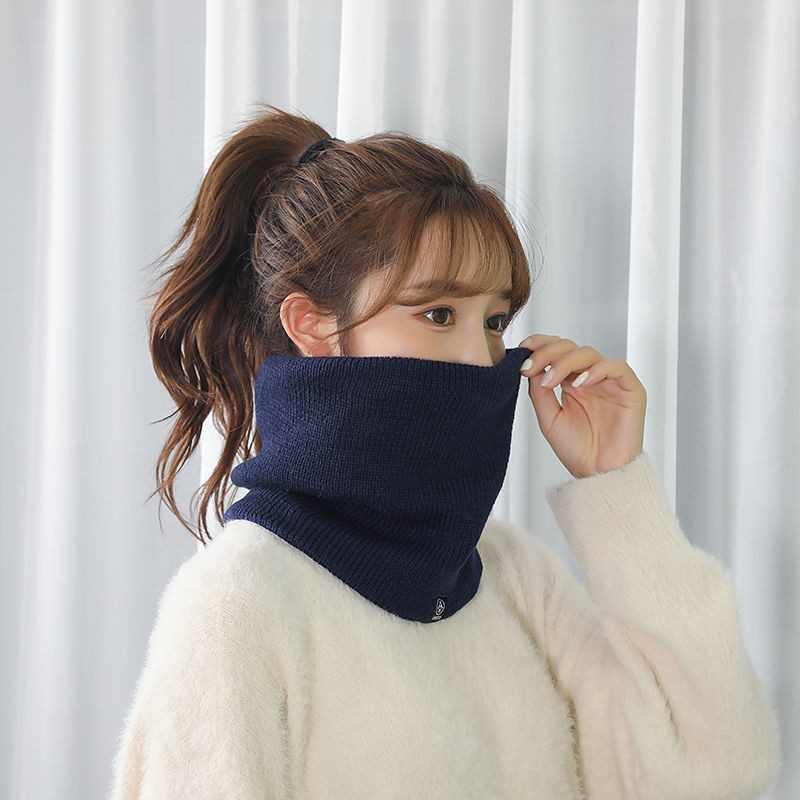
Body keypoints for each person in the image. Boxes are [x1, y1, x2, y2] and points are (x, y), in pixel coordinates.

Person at [111, 107, 780, 799]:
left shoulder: (512, 574)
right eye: (438, 314)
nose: (481, 358)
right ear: (313, 324)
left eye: (495, 321)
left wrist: (617, 490)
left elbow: (717, 774)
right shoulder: (237, 603)